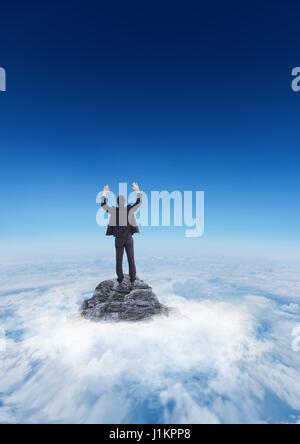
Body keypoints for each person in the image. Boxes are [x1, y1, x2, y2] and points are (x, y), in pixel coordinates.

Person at [101, 182, 142, 291]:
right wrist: (137, 190)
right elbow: (139, 202)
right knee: (131, 259)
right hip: (129, 239)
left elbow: (103, 205)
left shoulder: (114, 210)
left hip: (118, 240)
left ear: (118, 203)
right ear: (124, 202)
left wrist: (104, 194)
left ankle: (120, 280)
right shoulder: (129, 209)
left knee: (119, 260)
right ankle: (132, 280)